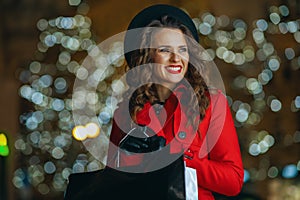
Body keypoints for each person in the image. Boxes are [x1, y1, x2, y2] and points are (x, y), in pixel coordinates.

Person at [106, 4, 244, 199]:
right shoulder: (126, 112)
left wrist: (181, 161)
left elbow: (233, 181)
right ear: (147, 56)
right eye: (164, 50)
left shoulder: (212, 102)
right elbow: (112, 184)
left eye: (182, 49)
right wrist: (135, 163)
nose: (176, 58)